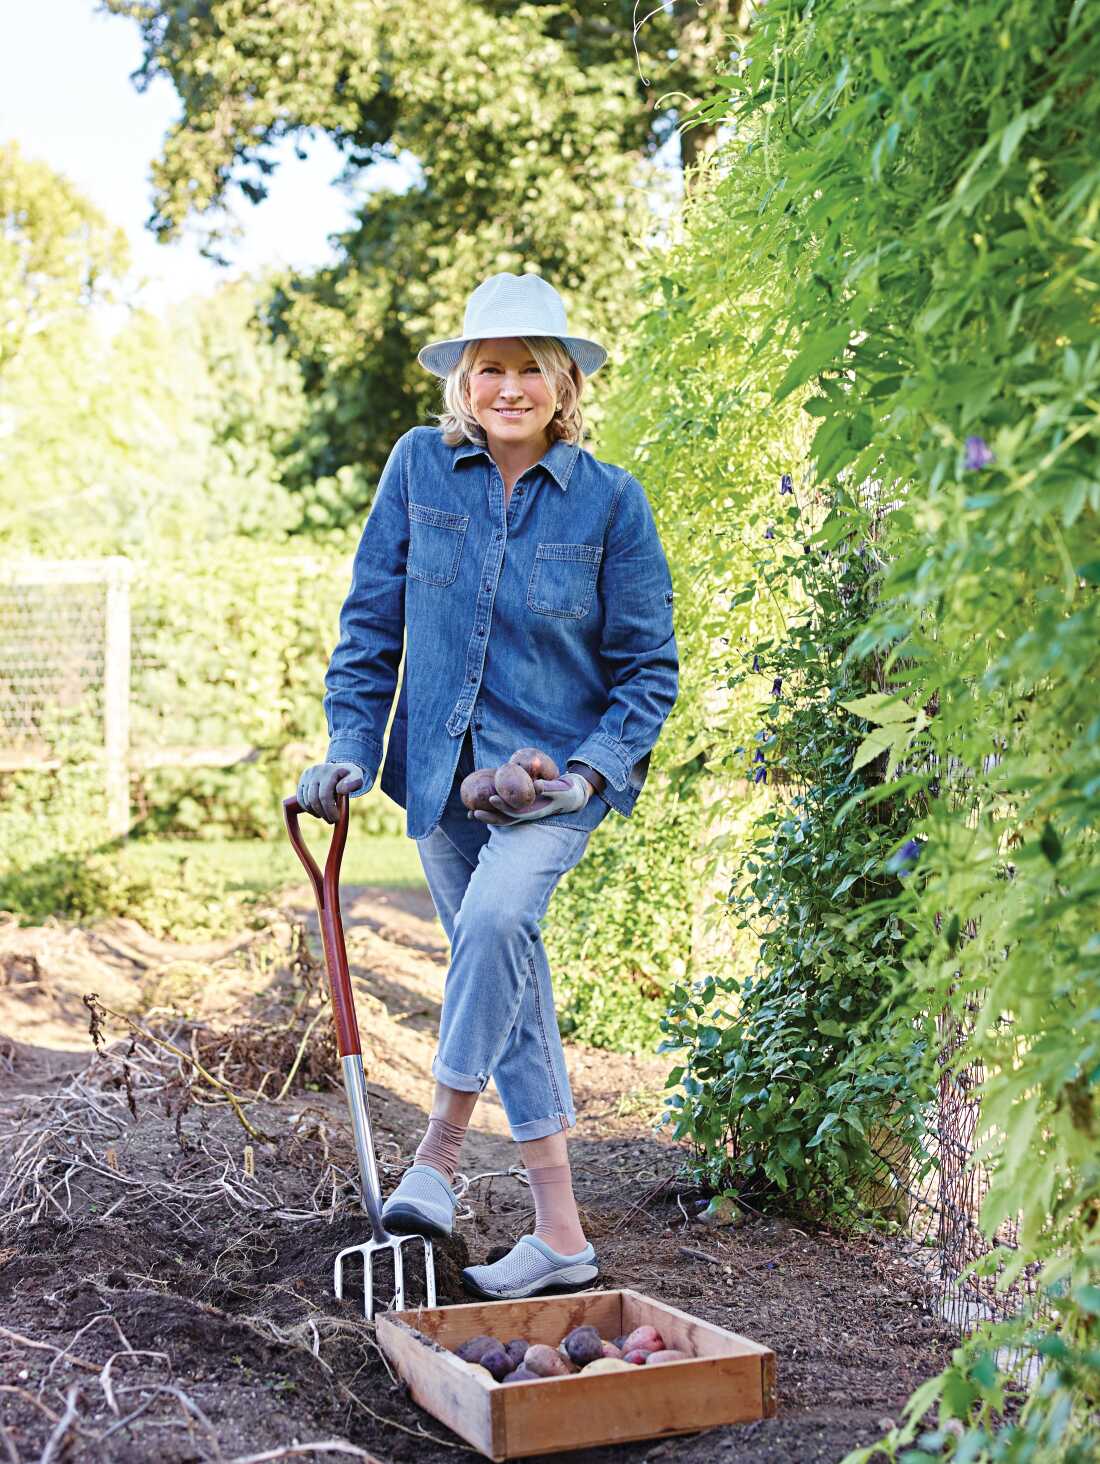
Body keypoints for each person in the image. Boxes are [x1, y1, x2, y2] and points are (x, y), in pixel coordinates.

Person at [296, 271, 678, 1300]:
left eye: (529, 369)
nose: (509, 386)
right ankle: (561, 1234)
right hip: (437, 777)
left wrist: (592, 769)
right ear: (464, 385)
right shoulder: (418, 468)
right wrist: (343, 744)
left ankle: (437, 1156)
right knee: (509, 982)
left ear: (563, 383)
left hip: (554, 784)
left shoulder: (609, 501)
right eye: (489, 369)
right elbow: (368, 628)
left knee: (498, 923)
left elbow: (648, 669)